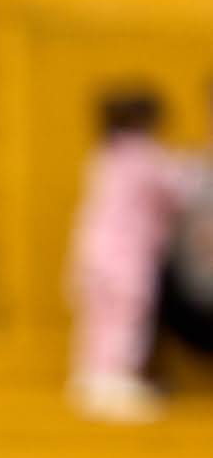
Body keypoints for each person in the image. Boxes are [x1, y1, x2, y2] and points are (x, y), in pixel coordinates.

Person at [68, 84, 195, 422]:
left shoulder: (104, 155)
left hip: (91, 254)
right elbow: (180, 188)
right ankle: (114, 384)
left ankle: (94, 380)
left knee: (99, 321)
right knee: (125, 321)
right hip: (124, 259)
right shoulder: (143, 156)